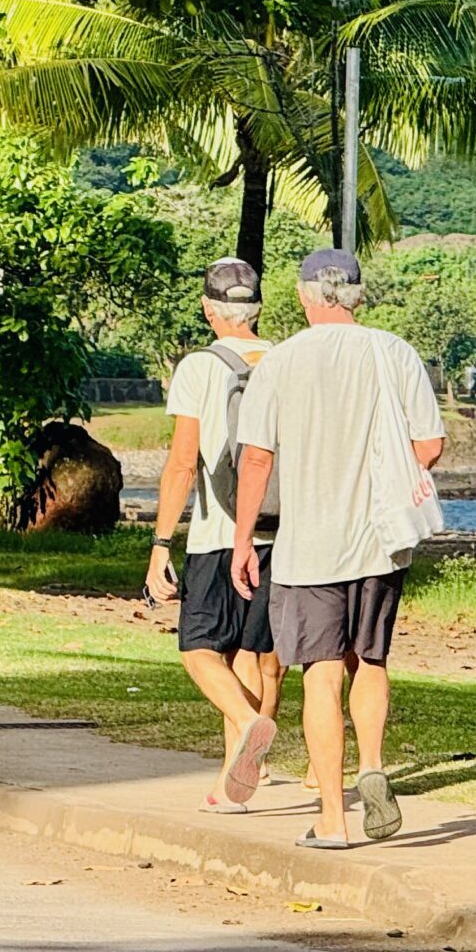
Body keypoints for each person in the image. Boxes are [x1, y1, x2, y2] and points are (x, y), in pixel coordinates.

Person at [230, 248, 445, 849]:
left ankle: (332, 817)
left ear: (303, 296)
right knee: (370, 662)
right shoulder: (394, 351)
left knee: (321, 675)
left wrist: (244, 539)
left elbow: (255, 458)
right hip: (380, 540)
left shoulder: (281, 362)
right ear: (357, 297)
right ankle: (371, 762)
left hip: (308, 546)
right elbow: (429, 445)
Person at [148, 257, 285, 810]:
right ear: (256, 308)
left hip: (218, 533)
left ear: (209, 309)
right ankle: (234, 781)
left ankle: (250, 722)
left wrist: (160, 545)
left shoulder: (199, 367)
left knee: (200, 650)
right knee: (252, 653)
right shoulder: (285, 359)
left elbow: (183, 464)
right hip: (280, 529)